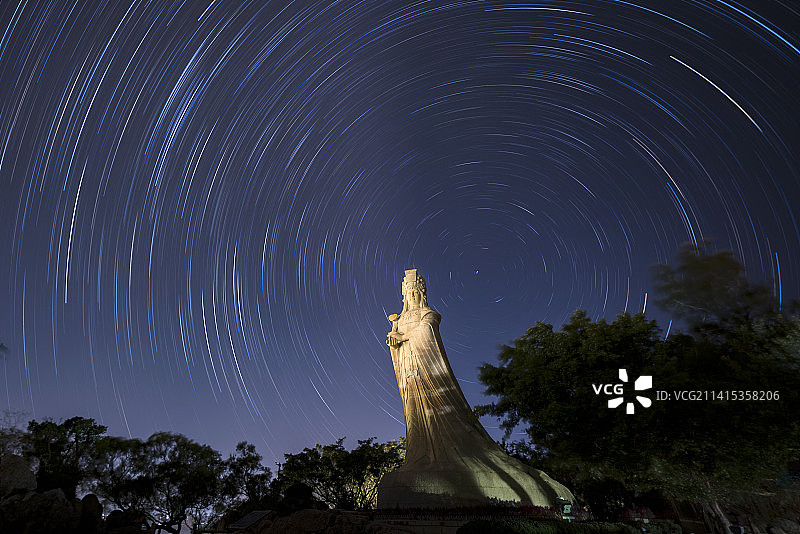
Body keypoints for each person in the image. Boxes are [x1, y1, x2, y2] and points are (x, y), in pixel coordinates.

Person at [377, 269, 574, 508]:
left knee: (439, 412)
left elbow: (427, 332)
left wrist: (405, 336)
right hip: (410, 370)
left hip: (427, 369)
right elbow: (398, 339)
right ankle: (418, 459)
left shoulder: (429, 314)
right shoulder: (403, 318)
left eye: (414, 291)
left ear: (421, 292)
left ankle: (446, 459)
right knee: (414, 413)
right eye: (407, 292)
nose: (411, 295)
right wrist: (395, 340)